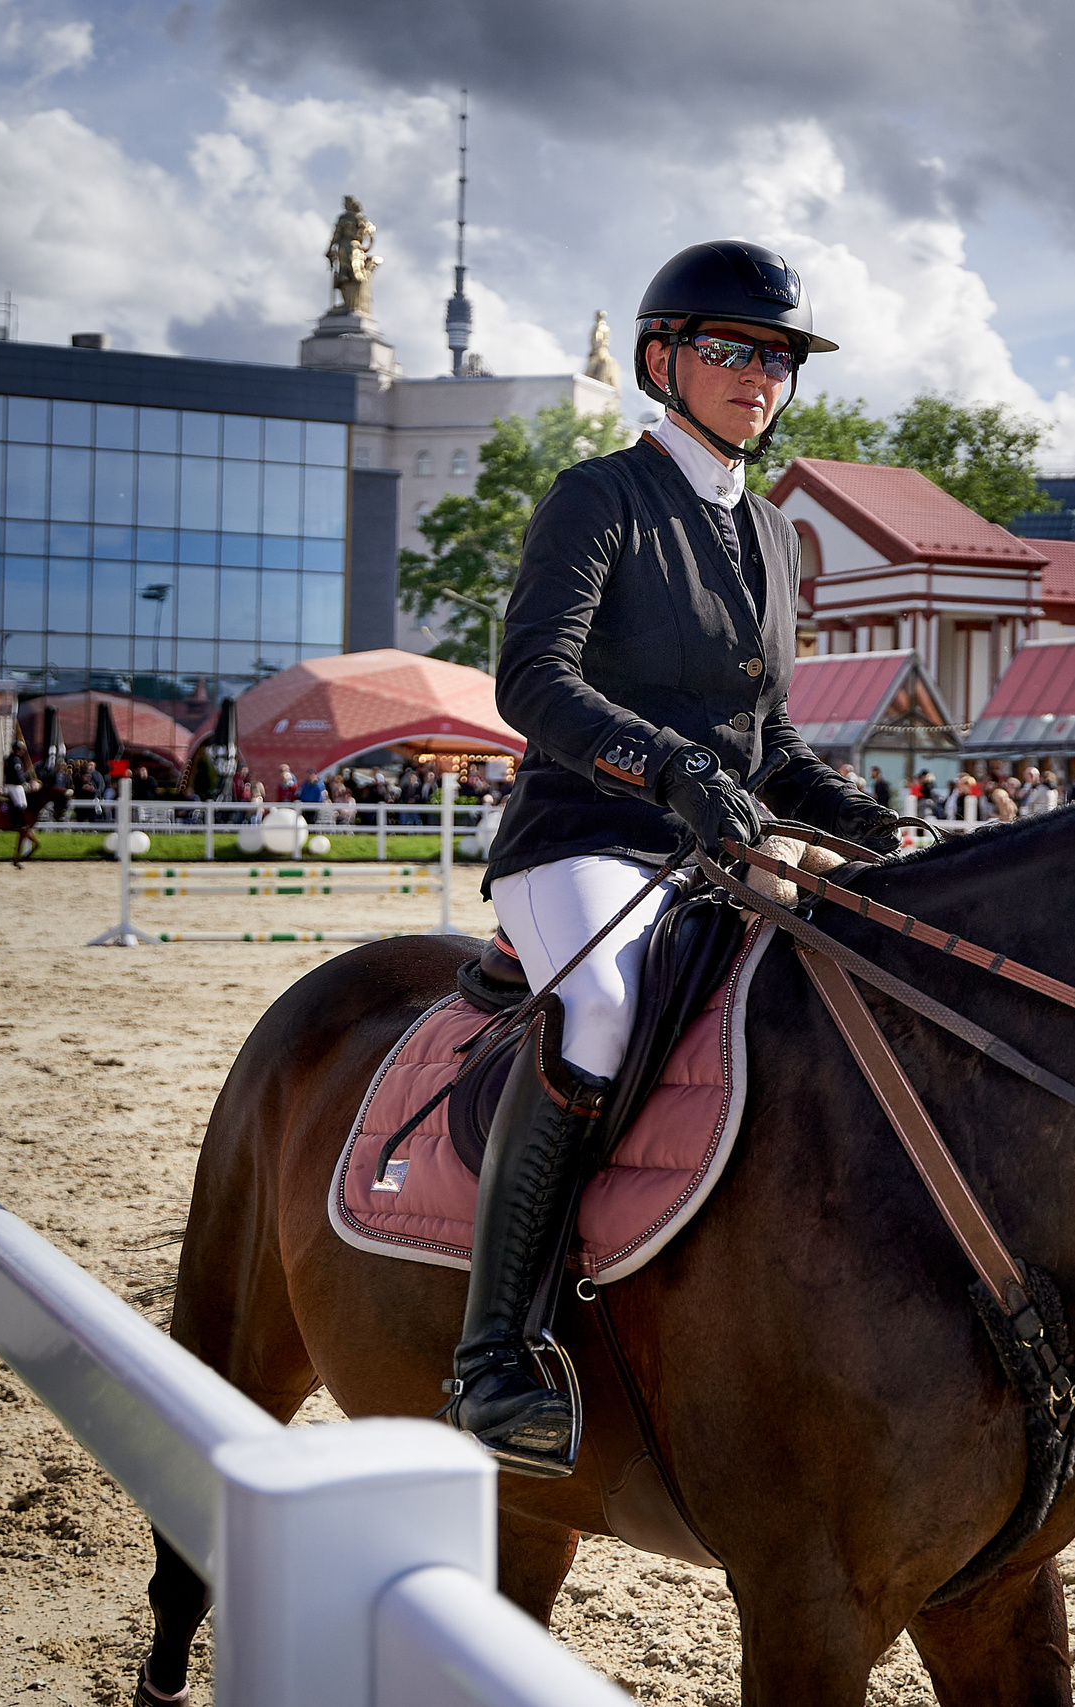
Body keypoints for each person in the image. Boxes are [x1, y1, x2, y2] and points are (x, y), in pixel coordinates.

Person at [448, 240, 898, 1475]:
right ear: (663, 361)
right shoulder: (598, 497)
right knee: (598, 1007)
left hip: (717, 847)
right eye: (731, 350)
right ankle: (491, 1356)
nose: (759, 375)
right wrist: (664, 768)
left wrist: (868, 820)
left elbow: (773, 744)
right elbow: (531, 681)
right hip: (586, 836)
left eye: (776, 358)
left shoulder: (768, 532)